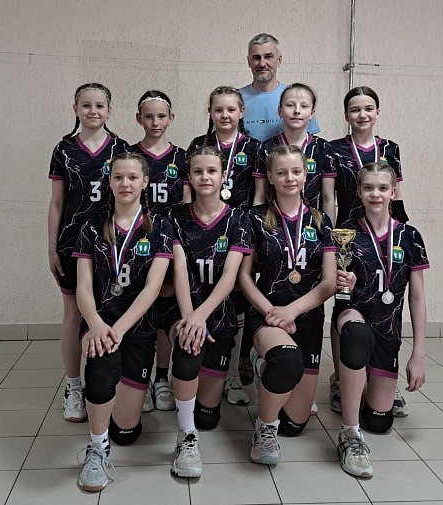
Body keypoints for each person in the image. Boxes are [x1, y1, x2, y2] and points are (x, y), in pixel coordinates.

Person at [72, 152, 173, 492]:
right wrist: (96, 324)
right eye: (118, 177)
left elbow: (153, 288)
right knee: (101, 366)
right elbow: (83, 287)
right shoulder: (91, 227)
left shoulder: (160, 228)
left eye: (132, 177)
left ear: (145, 182)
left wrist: (118, 329)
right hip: (100, 322)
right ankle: (97, 447)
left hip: (137, 328)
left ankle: (111, 416)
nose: (125, 183)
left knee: (126, 432)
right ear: (110, 182)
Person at [237, 145, 340, 465]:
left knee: (294, 425)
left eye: (296, 171)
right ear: (270, 177)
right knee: (286, 361)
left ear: (306, 175)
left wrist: (292, 311)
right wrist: (272, 312)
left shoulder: (322, 222)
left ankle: (266, 370)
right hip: (266, 314)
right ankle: (264, 427)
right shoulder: (254, 219)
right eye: (281, 172)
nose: (289, 178)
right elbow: (244, 277)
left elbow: (328, 283)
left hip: (306, 318)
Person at [333, 162, 428, 479]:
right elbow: (337, 289)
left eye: (383, 188)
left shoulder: (410, 236)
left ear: (393, 192)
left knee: (379, 420)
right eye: (369, 188)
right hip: (354, 313)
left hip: (387, 328)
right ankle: (349, 432)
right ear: (359, 192)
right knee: (356, 337)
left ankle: (359, 382)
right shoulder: (347, 233)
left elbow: (417, 297)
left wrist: (418, 354)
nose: (376, 194)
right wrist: (344, 281)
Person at [167, 146, 252, 478]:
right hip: (182, 308)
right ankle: (185, 435)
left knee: (208, 417)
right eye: (198, 171)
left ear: (223, 176)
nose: (205, 177)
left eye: (212, 171)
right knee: (188, 349)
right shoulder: (174, 216)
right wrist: (190, 318)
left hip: (219, 313)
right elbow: (179, 271)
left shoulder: (238, 218)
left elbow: (230, 277)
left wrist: (201, 317)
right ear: (189, 177)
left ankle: (193, 409)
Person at [47, 83, 130, 423]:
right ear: (75, 109)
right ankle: (73, 385)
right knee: (73, 313)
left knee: (113, 310)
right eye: (86, 105)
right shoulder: (64, 149)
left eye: (99, 105)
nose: (93, 111)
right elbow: (56, 203)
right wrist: (51, 247)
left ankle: (118, 382)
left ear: (109, 111)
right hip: (72, 244)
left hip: (112, 245)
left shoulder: (122, 149)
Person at [329, 86, 409, 417]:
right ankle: (340, 378)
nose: (362, 114)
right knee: (345, 303)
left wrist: (399, 232)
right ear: (346, 115)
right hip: (349, 237)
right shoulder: (334, 149)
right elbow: (328, 197)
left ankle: (382, 373)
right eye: (355, 109)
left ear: (377, 113)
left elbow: (397, 193)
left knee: (386, 302)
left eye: (368, 108)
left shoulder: (390, 148)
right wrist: (331, 236)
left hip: (383, 234)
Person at [187, 86, 262, 404]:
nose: (225, 115)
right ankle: (194, 369)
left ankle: (232, 374)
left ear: (242, 112)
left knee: (237, 301)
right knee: (201, 295)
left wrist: (252, 235)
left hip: (239, 235)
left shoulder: (255, 147)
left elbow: (259, 196)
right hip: (203, 234)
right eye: (218, 110)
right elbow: (188, 194)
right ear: (210, 112)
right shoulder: (198, 145)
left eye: (231, 109)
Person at [132, 90, 188, 413]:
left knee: (166, 308)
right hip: (136, 246)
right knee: (140, 309)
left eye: (161, 116)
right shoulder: (128, 154)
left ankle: (162, 377)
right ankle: (138, 375)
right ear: (139, 119)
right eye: (149, 116)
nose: (155, 122)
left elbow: (188, 206)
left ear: (171, 119)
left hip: (169, 244)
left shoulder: (182, 158)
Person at [254, 83, 338, 233]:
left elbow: (328, 198)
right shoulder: (266, 148)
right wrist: (257, 231)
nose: (297, 111)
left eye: (304, 106)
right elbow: (260, 196)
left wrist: (329, 234)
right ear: (280, 111)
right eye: (290, 105)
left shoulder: (323, 148)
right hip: (274, 228)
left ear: (312, 113)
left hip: (313, 227)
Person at [240, 33, 320, 142]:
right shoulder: (236, 99)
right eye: (256, 58)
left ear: (279, 60)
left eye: (268, 57)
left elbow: (308, 143)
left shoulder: (295, 97)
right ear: (249, 62)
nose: (262, 63)